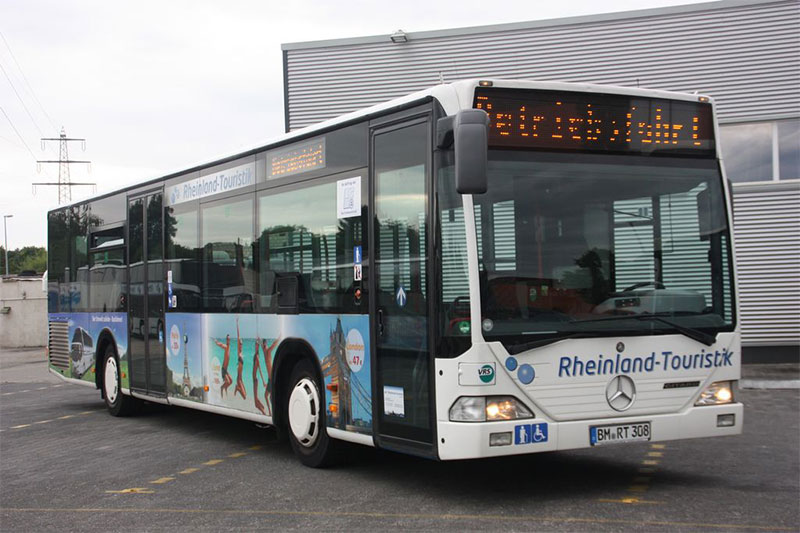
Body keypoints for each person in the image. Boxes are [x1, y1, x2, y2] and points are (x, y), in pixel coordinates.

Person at [260, 337, 280, 415]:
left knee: (270, 397)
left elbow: (273, 345)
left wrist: (279, 337)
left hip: (272, 379)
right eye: (263, 345)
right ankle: (271, 412)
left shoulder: (268, 351)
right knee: (266, 396)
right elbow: (262, 346)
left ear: (266, 344)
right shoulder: (264, 351)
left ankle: (274, 411)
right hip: (269, 379)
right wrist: (258, 340)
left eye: (264, 344)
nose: (263, 346)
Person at [251, 338, 267, 415]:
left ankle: (264, 412)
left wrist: (264, 381)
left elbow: (260, 369)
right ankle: (263, 408)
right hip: (254, 380)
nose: (256, 346)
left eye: (257, 345)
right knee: (256, 399)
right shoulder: (255, 354)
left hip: (255, 381)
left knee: (255, 403)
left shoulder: (257, 356)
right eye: (255, 345)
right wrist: (259, 341)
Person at [234, 318, 247, 399]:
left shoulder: (242, 353)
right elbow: (238, 336)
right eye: (240, 343)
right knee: (244, 397)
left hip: (240, 378)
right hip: (238, 379)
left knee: (245, 395)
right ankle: (237, 388)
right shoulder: (239, 352)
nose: (241, 345)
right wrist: (237, 323)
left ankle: (237, 388)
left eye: (242, 343)